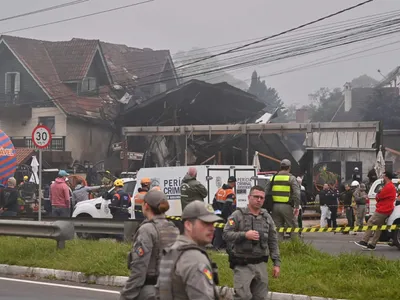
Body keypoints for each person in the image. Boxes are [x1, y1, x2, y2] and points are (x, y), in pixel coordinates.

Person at [223, 185, 280, 300]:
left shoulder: (266, 217)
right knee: (243, 296)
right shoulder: (237, 215)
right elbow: (226, 234)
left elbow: (273, 240)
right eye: (256, 197)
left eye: (261, 198)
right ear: (249, 197)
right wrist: (245, 235)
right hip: (243, 264)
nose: (259, 200)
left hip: (261, 264)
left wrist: (276, 263)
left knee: (260, 296)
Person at [156, 200, 222, 300]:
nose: (212, 228)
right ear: (188, 225)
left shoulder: (173, 249)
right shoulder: (195, 259)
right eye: (206, 223)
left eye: (213, 223)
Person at [120, 190, 179, 300]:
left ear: (146, 206)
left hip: (152, 291)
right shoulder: (173, 229)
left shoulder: (147, 230)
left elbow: (139, 267)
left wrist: (126, 295)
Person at [355, 171, 396, 250]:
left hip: (383, 209)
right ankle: (372, 244)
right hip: (386, 209)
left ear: (387, 177)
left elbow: (379, 197)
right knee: (378, 227)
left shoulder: (388, 187)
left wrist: (379, 193)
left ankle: (364, 241)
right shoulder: (390, 186)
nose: (382, 178)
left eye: (383, 176)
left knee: (370, 222)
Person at [265, 159, 300, 240]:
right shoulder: (291, 178)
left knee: (277, 229)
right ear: (289, 167)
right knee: (293, 227)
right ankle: (296, 247)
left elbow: (266, 192)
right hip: (287, 207)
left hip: (274, 207)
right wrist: (297, 206)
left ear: (280, 167)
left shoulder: (273, 177)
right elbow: (297, 194)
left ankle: (279, 248)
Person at [212, 176, 236, 250]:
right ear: (233, 183)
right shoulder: (230, 192)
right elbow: (227, 205)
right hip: (228, 215)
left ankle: (216, 244)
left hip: (219, 214)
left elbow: (214, 202)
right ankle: (227, 246)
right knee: (231, 228)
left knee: (218, 229)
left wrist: (217, 213)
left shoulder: (220, 190)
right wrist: (224, 214)